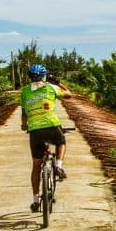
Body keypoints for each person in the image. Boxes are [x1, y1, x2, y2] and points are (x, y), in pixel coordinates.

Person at [20, 64, 72, 212]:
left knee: (36, 166)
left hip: (35, 131)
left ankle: (36, 200)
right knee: (61, 142)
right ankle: (59, 166)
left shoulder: (24, 92)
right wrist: (58, 83)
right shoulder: (50, 88)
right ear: (44, 76)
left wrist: (25, 126)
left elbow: (24, 115)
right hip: (51, 126)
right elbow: (69, 94)